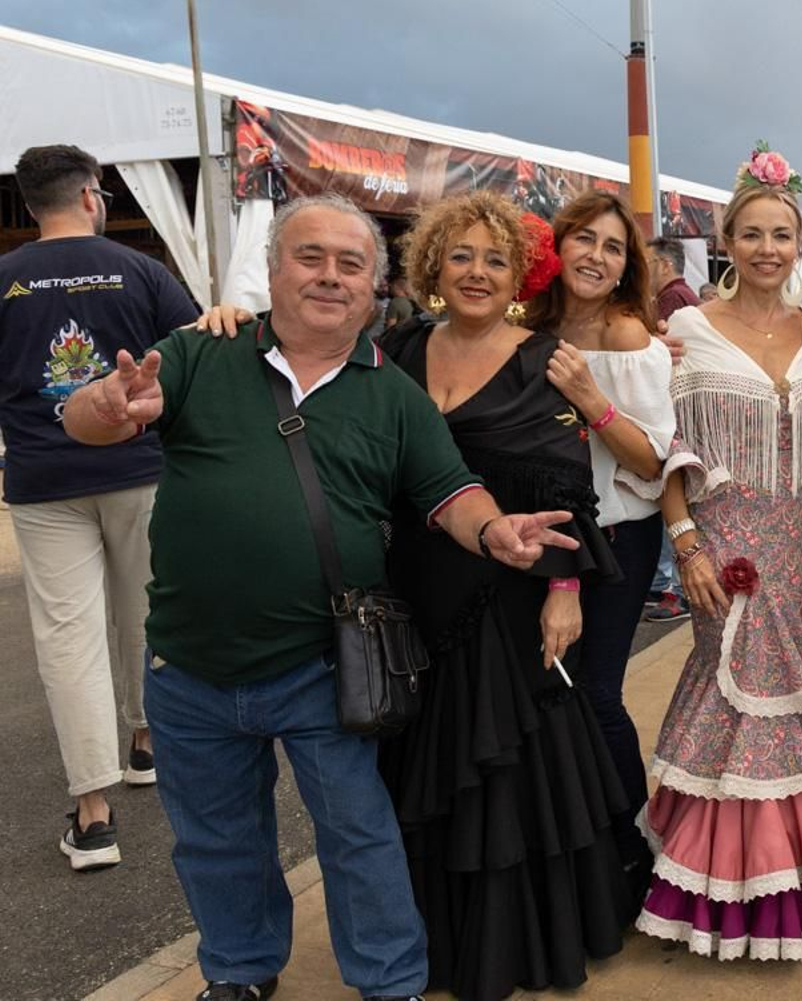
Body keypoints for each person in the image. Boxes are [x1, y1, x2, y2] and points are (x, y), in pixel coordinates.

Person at [62, 193, 580, 1001]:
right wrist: (101, 407)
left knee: (358, 835)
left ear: (377, 285)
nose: (330, 277)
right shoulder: (202, 354)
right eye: (310, 257)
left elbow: (450, 490)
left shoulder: (392, 394)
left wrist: (495, 533)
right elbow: (99, 418)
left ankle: (391, 982)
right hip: (189, 665)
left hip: (320, 666)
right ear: (273, 270)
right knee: (215, 839)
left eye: (350, 264)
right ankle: (238, 969)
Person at [378, 193, 634, 998]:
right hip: (418, 596)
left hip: (513, 599)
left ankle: (515, 946)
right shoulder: (396, 348)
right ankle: (431, 942)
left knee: (513, 774)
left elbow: (568, 490)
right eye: (460, 256)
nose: (477, 273)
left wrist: (565, 591)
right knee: (426, 769)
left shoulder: (544, 358)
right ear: (431, 268)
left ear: (517, 275)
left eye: (494, 259)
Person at [638, 148, 802, 959]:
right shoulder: (686, 329)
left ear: (800, 242)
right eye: (753, 234)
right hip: (723, 531)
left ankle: (801, 878)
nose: (769, 248)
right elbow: (666, 442)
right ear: (726, 240)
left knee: (793, 688)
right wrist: (685, 537)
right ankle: (723, 887)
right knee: (731, 687)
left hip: (801, 532)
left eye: (782, 234)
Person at [0, 144, 200, 871]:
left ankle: (94, 815)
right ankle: (148, 742)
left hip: (42, 477)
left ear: (30, 205)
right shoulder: (140, 270)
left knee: (67, 637)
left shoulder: (5, 278)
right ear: (93, 195)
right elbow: (189, 358)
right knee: (146, 611)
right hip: (140, 470)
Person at [525, 188, 674, 897]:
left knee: (595, 691)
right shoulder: (525, 325)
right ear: (558, 246)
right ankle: (569, 842)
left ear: (625, 268)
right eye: (585, 239)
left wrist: (591, 398)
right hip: (538, 539)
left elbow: (651, 459)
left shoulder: (626, 337)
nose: (596, 255)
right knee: (542, 690)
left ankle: (631, 841)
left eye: (613, 247)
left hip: (616, 535)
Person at [642, 236, 699, 623]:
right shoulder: (688, 298)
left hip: (672, 429)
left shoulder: (671, 303)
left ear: (663, 264)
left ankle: (673, 589)